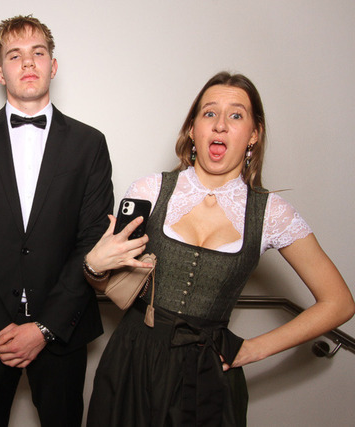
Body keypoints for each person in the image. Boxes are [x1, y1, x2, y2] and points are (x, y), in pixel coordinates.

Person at [83, 71, 355, 426]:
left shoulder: (271, 213)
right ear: (192, 129)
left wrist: (254, 349)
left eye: (236, 115)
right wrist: (93, 266)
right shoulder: (150, 190)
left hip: (208, 373)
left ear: (254, 134)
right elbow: (112, 285)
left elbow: (339, 303)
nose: (220, 124)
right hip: (133, 358)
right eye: (209, 113)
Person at [0, 15, 113, 427]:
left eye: (38, 52)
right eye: (15, 55)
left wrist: (44, 328)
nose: (29, 62)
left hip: (62, 331)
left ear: (54, 65)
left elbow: (93, 241)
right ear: (0, 72)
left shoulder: (90, 144)